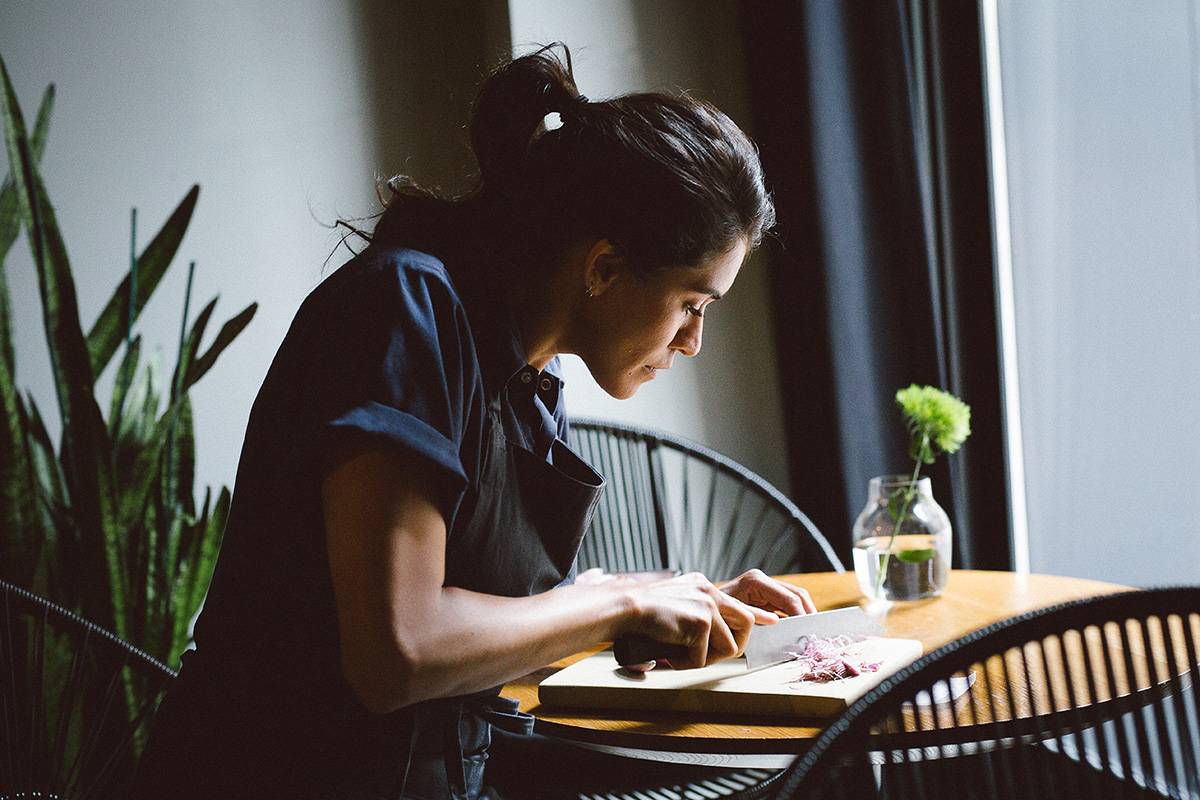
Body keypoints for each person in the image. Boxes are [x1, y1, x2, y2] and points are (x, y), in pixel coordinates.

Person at [131, 42, 815, 800]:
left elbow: (491, 644)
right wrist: (617, 601)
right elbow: (400, 652)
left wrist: (679, 608)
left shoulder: (529, 381)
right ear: (603, 268)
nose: (692, 341)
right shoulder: (403, 310)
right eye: (693, 304)